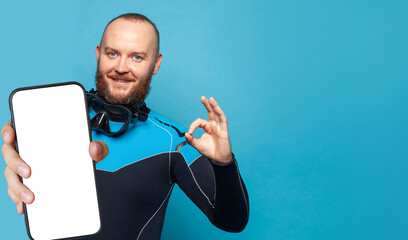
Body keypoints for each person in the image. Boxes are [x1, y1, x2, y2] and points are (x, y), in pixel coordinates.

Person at [2, 13, 249, 239]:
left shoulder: (174, 141)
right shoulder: (53, 120)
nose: (121, 67)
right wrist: (17, 166)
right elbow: (19, 175)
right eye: (112, 53)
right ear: (98, 54)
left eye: (137, 57)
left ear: (156, 64)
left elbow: (232, 222)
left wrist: (224, 164)